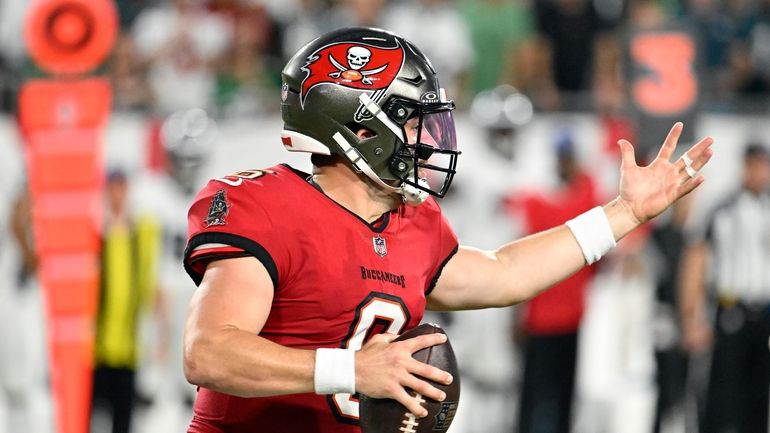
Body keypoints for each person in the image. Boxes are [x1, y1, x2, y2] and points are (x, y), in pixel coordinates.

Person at [180, 27, 713, 433]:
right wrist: (351, 371)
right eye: (412, 120)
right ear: (358, 127)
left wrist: (625, 213)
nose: (427, 140)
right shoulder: (265, 205)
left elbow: (505, 274)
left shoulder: (414, 221)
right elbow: (208, 353)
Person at [506, 134, 600, 433]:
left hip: (568, 319)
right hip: (541, 320)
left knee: (559, 396)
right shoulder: (545, 206)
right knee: (535, 396)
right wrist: (516, 315)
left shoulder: (547, 205)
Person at [679, 142, 770, 433]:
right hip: (730, 311)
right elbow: (696, 259)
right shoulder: (722, 208)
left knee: (757, 401)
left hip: (763, 315)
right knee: (721, 398)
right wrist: (691, 317)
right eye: (754, 165)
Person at [92, 169, 163, 433]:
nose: (117, 195)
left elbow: (153, 284)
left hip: (129, 348)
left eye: (121, 188)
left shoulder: (141, 231)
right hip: (96, 348)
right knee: (94, 417)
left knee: (124, 420)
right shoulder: (96, 233)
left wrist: (160, 336)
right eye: (112, 188)